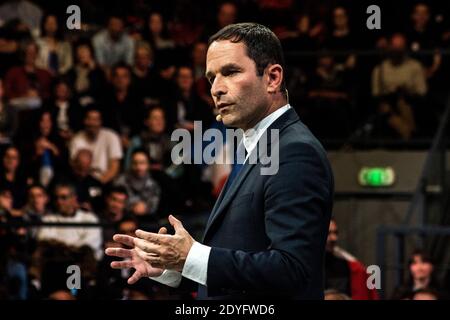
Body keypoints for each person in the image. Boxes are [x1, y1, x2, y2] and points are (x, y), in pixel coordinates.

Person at [106, 23, 333, 299]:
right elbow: (240, 260)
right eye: (212, 78)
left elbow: (292, 270)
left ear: (272, 77)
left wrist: (192, 256)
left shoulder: (295, 151)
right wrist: (174, 267)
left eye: (230, 72)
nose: (216, 89)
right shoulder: (256, 145)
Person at [37, 183, 103, 260]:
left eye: (63, 198)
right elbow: (44, 239)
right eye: (56, 198)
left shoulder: (89, 218)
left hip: (80, 260)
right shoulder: (48, 219)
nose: (59, 202)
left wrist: (67, 248)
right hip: (56, 260)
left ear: (73, 199)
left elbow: (91, 243)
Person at [325, 217, 379, 300]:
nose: (334, 238)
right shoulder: (309, 264)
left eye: (336, 233)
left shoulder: (348, 264)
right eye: (328, 233)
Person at [69, 108, 123, 184]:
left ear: (100, 122)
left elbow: (114, 167)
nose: (92, 123)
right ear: (84, 121)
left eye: (96, 120)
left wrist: (99, 184)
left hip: (105, 181)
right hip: (82, 181)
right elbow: (74, 166)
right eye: (89, 119)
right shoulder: (77, 139)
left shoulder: (111, 136)